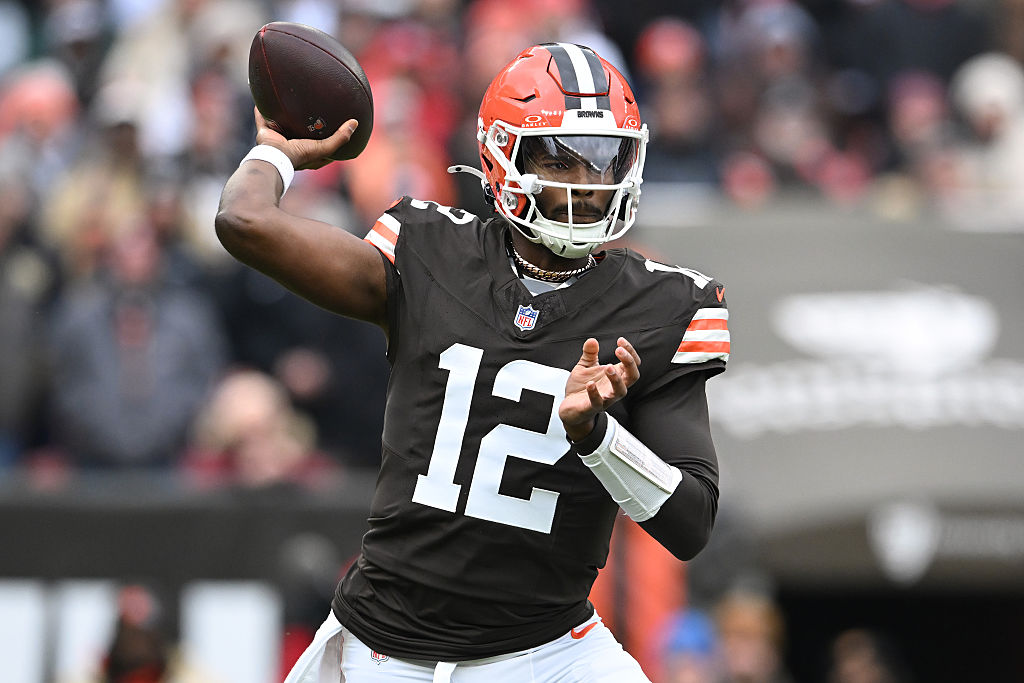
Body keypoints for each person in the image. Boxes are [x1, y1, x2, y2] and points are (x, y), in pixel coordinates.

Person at [216, 42, 730, 683]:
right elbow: (242, 219)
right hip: (382, 648)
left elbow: (691, 524)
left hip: (551, 655)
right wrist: (277, 152)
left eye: (605, 158)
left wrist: (599, 438)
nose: (588, 182)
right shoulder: (429, 248)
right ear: (499, 156)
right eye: (562, 156)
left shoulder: (664, 305)